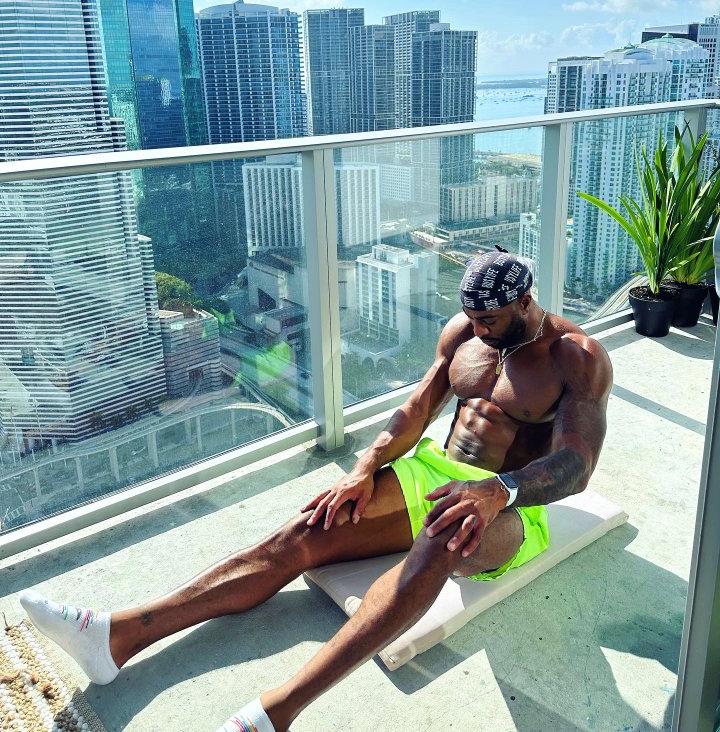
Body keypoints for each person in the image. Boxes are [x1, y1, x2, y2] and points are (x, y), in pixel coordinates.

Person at [20, 251, 613, 732]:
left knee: (444, 533)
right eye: (473, 320)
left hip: (513, 504)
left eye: (491, 321)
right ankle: (117, 635)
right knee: (310, 528)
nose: (479, 331)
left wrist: (498, 490)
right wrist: (365, 466)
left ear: (525, 302)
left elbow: (576, 465)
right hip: (434, 470)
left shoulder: (576, 359)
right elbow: (418, 408)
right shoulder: (465, 332)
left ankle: (275, 713)